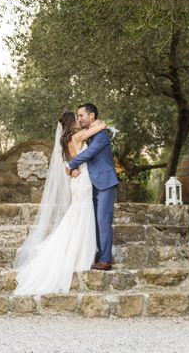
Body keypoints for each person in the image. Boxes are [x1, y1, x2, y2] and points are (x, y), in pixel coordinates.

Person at [13, 111, 107, 295]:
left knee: (78, 213)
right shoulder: (78, 135)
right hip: (84, 179)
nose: (80, 120)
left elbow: (67, 165)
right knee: (83, 213)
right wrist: (100, 122)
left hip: (76, 181)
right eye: (77, 118)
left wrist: (70, 170)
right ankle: (81, 255)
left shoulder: (64, 142)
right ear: (72, 123)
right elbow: (102, 127)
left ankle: (79, 251)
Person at [66, 103, 119, 271]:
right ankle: (98, 253)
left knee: (103, 220)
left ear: (92, 116)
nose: (79, 118)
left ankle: (106, 259)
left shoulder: (102, 135)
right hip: (91, 183)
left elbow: (89, 153)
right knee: (95, 220)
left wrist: (70, 165)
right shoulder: (89, 134)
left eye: (81, 115)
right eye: (78, 116)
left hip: (105, 182)